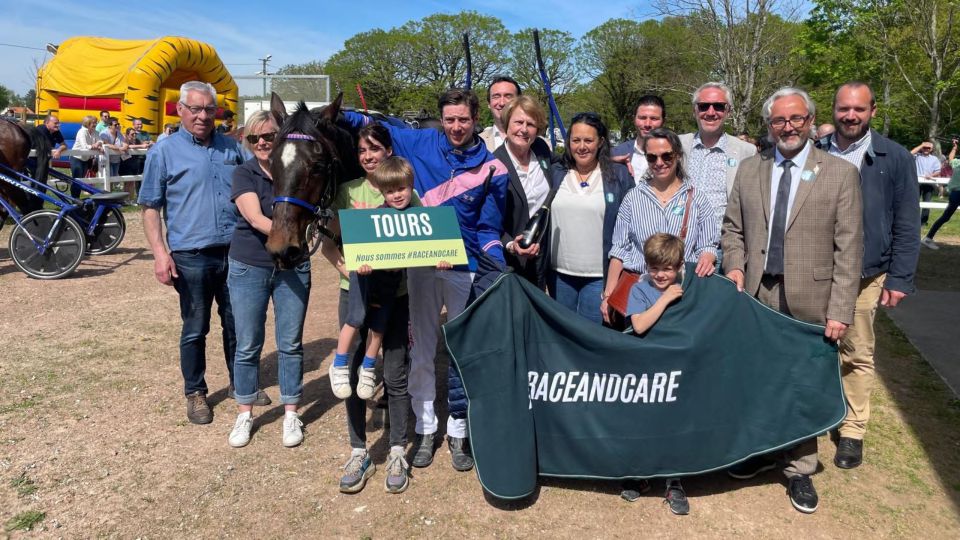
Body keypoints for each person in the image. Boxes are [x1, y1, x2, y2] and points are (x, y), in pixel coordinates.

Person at [341, 88, 508, 473]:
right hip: (419, 265)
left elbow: (488, 227)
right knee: (423, 348)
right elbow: (371, 125)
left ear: (475, 118)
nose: (455, 126)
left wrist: (496, 265)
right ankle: (427, 428)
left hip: (462, 267)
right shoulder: (421, 140)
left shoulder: (491, 167)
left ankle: (458, 430)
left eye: (463, 119)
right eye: (449, 119)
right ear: (441, 119)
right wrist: (333, 114)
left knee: (460, 350)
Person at [722, 87, 863, 514]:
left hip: (812, 298)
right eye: (780, 120)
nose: (789, 126)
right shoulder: (749, 169)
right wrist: (734, 265)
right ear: (769, 125)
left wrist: (840, 309)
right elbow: (732, 228)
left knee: (801, 384)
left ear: (810, 120)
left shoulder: (839, 173)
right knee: (759, 376)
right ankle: (762, 451)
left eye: (797, 118)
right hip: (758, 294)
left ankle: (799, 468)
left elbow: (850, 247)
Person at [820, 82, 920, 469]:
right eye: (844, 108)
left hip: (866, 271)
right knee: (815, 346)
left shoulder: (893, 158)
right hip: (819, 269)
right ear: (833, 109)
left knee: (856, 351)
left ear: (872, 111)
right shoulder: (816, 152)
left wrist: (900, 278)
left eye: (858, 109)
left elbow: (908, 223)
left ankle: (852, 430)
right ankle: (816, 415)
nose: (850, 116)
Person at [138, 81, 246, 425]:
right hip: (191, 255)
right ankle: (195, 392)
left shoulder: (233, 149)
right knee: (195, 328)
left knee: (237, 324)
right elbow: (150, 207)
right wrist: (160, 253)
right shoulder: (163, 152)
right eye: (195, 109)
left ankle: (240, 384)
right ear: (180, 110)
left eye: (208, 109)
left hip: (235, 251)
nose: (202, 116)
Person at [321, 125, 415, 494]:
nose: (368, 156)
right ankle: (359, 450)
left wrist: (439, 257)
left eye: (375, 148)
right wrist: (347, 269)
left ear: (388, 152)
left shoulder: (407, 192)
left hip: (397, 295)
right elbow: (329, 243)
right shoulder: (348, 192)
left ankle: (396, 450)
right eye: (362, 150)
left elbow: (427, 238)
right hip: (355, 291)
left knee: (394, 374)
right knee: (355, 376)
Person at [224, 110, 307, 449]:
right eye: (254, 138)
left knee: (290, 344)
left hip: (294, 266)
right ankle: (245, 412)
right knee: (247, 344)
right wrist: (291, 232)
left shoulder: (296, 169)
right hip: (250, 264)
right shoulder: (244, 173)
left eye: (268, 137)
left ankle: (291, 412)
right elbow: (255, 218)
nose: (261, 143)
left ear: (281, 138)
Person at [603, 127, 719, 325]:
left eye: (667, 156)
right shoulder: (633, 198)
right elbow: (619, 250)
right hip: (639, 294)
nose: (659, 163)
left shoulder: (697, 198)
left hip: (681, 295)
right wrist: (608, 295)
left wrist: (708, 255)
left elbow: (708, 245)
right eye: (652, 158)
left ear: (678, 156)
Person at [623, 232, 689, 515]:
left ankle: (674, 481)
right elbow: (639, 326)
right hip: (646, 370)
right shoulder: (640, 290)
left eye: (667, 269)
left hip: (676, 371)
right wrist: (664, 300)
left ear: (678, 267)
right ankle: (640, 475)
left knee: (674, 424)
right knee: (643, 423)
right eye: (654, 268)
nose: (660, 275)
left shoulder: (688, 288)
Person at [547, 112, 633, 324]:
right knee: (562, 334)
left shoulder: (618, 174)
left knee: (591, 336)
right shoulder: (556, 172)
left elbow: (632, 222)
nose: (581, 146)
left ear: (600, 142)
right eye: (576, 140)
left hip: (599, 277)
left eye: (588, 140)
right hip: (559, 276)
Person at [493, 95, 554, 288]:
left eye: (531, 124)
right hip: (513, 261)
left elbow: (568, 165)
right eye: (518, 122)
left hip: (544, 257)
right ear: (506, 125)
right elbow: (488, 221)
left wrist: (607, 160)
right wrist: (511, 245)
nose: (524, 129)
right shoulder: (494, 164)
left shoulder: (542, 151)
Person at [680, 82, 758, 230]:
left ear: (728, 111)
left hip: (721, 245)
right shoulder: (678, 145)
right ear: (694, 110)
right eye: (704, 106)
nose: (710, 112)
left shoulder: (746, 152)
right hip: (678, 243)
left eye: (719, 106)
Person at [611, 95, 667, 185]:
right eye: (642, 118)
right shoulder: (616, 153)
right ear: (634, 119)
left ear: (663, 121)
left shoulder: (672, 157)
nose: (647, 124)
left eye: (654, 118)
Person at [923, 139, 960, 249]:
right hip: (957, 193)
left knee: (945, 217)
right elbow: (951, 158)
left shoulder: (957, 163)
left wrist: (954, 147)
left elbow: (951, 157)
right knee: (946, 217)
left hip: (955, 194)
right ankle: (928, 238)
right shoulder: (957, 163)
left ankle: (928, 238)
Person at [479, 75, 521, 151]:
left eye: (508, 96)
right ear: (489, 103)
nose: (502, 103)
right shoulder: (477, 143)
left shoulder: (540, 144)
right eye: (496, 96)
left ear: (519, 102)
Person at [69, 115, 102, 198]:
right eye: (93, 123)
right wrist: (95, 146)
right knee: (77, 178)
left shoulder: (95, 132)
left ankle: (76, 198)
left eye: (96, 122)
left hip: (86, 158)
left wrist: (98, 144)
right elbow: (84, 146)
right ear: (87, 123)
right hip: (77, 158)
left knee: (81, 179)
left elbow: (100, 140)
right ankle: (74, 198)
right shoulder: (82, 132)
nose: (95, 124)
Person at [913, 140, 943, 226]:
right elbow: (909, 153)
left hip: (929, 182)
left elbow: (938, 171)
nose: (926, 149)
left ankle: (923, 221)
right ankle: (914, 220)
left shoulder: (934, 159)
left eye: (928, 148)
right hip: (917, 182)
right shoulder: (917, 156)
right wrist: (921, 145)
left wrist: (931, 175)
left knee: (927, 202)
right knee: (915, 202)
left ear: (931, 149)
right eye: (925, 147)